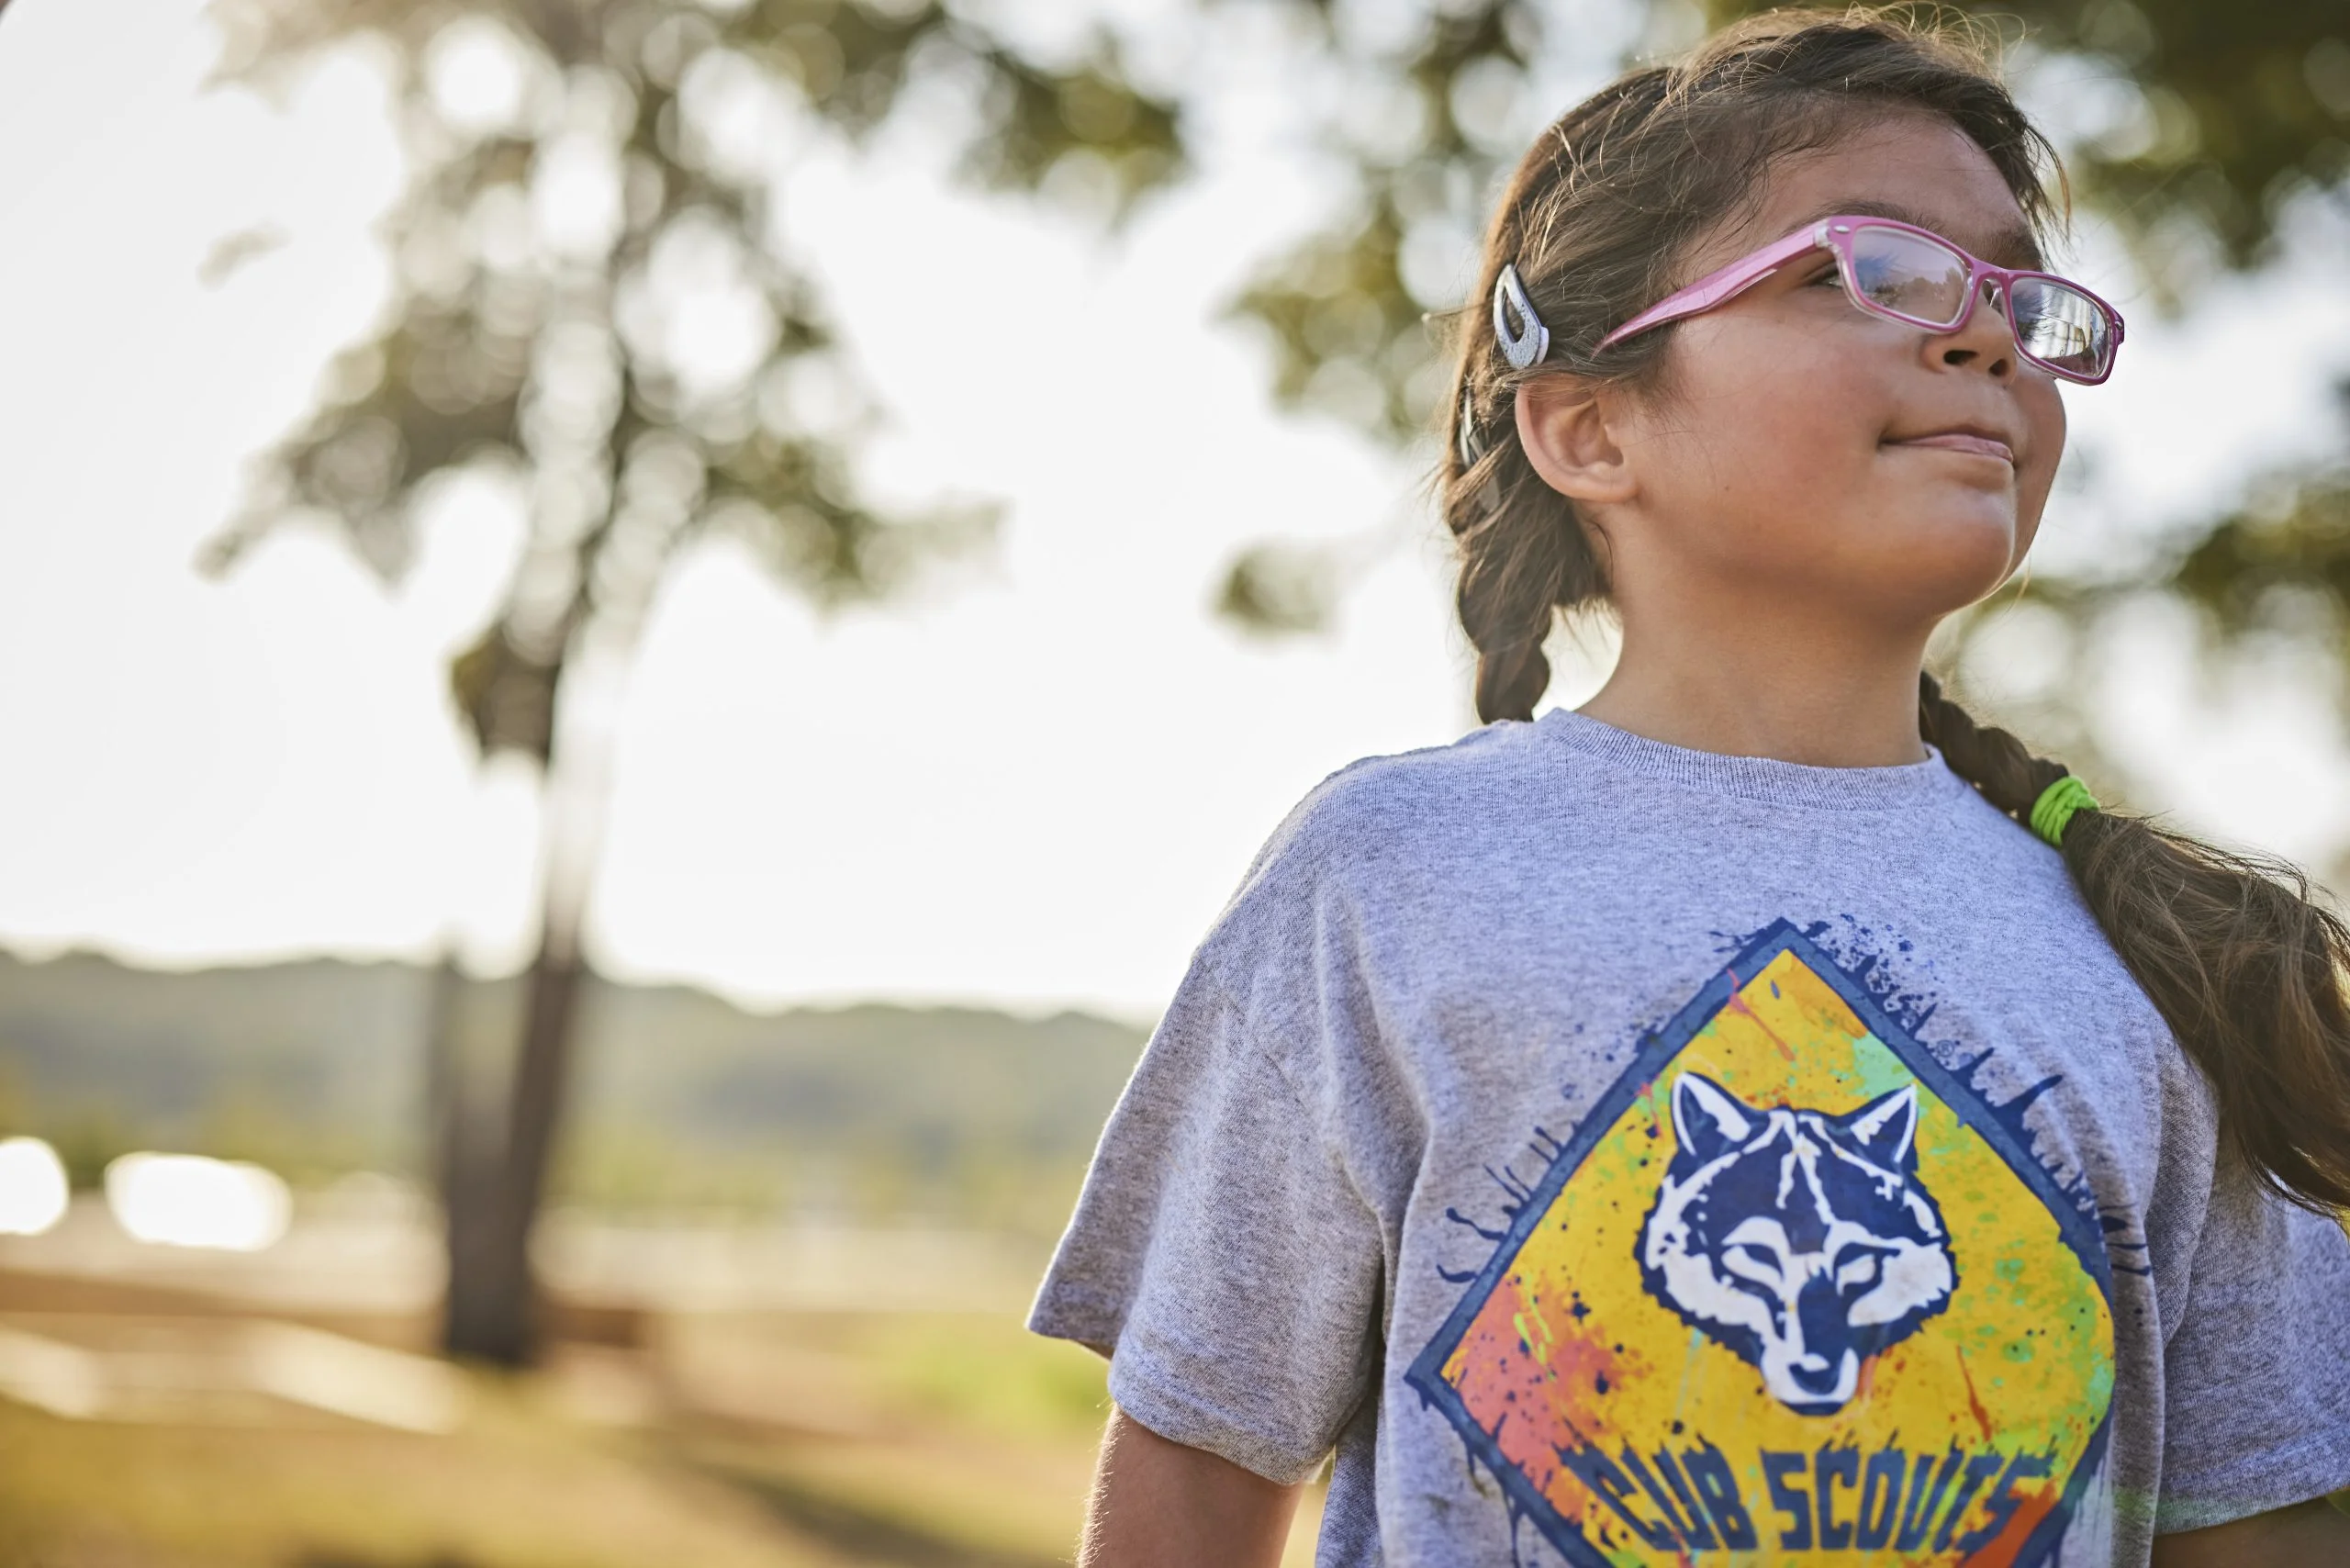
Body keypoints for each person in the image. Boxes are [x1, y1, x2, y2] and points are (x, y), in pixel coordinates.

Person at [1026, 9, 2350, 1565]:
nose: (1985, 331)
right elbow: (1194, 1481)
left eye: (2015, 292)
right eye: (1867, 267)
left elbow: (2259, 1524)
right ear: (1591, 426)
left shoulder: (2160, 958)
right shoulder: (1390, 875)